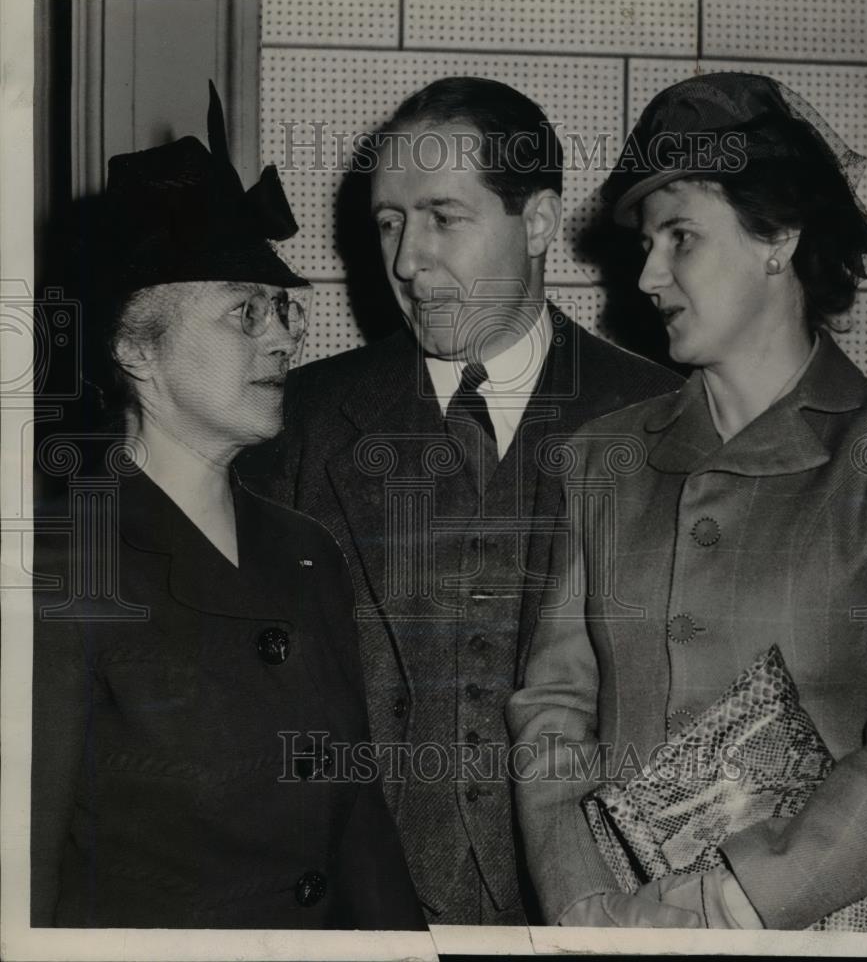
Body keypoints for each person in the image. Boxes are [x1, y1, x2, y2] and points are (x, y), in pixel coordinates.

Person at [238, 76, 681, 925]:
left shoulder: (663, 421)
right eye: (390, 224)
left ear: (540, 222)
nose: (407, 260)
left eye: (444, 218)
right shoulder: (295, 423)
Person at [30, 85, 426, 930]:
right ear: (137, 350)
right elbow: (23, 887)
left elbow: (359, 829)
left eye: (283, 307)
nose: (284, 336)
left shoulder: (306, 551)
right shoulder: (60, 570)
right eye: (244, 312)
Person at [507, 72, 867, 930]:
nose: (649, 273)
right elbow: (554, 706)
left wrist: (747, 896)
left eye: (681, 237)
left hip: (825, 923)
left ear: (778, 237)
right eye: (647, 243)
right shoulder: (602, 457)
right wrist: (582, 901)